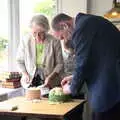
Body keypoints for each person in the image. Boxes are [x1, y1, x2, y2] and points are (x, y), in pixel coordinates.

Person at [51, 13, 120, 120]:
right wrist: (74, 77)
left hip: (110, 85)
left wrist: (71, 88)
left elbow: (81, 63)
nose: (64, 40)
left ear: (64, 25)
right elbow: (91, 60)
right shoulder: (89, 22)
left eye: (62, 37)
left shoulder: (82, 27)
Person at [16, 14, 64, 89]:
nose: (37, 37)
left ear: (46, 30)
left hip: (50, 82)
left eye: (41, 33)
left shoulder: (54, 41)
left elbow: (60, 64)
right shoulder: (25, 40)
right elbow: (19, 61)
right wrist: (24, 74)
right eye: (34, 33)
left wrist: (50, 77)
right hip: (29, 82)